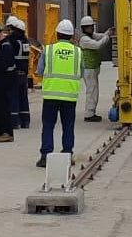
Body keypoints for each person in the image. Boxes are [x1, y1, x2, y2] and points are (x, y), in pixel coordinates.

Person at [35, 19, 83, 167]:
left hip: (51, 95)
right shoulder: (77, 51)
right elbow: (81, 72)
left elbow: (39, 71)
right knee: (68, 126)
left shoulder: (48, 50)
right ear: (72, 36)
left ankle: (45, 156)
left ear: (56, 34)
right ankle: (67, 155)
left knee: (48, 125)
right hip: (69, 95)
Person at [77, 15, 114, 122]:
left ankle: (91, 112)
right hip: (88, 70)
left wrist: (108, 32)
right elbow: (98, 45)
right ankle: (89, 114)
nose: (92, 29)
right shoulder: (84, 39)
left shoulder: (91, 35)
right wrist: (108, 37)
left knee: (94, 91)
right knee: (91, 92)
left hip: (93, 68)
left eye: (92, 26)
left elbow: (100, 36)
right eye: (89, 27)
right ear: (84, 28)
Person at [6, 16, 32, 129]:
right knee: (23, 98)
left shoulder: (12, 40)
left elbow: (8, 55)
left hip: (14, 73)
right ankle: (25, 121)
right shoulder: (25, 41)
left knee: (14, 97)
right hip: (24, 73)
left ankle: (14, 121)